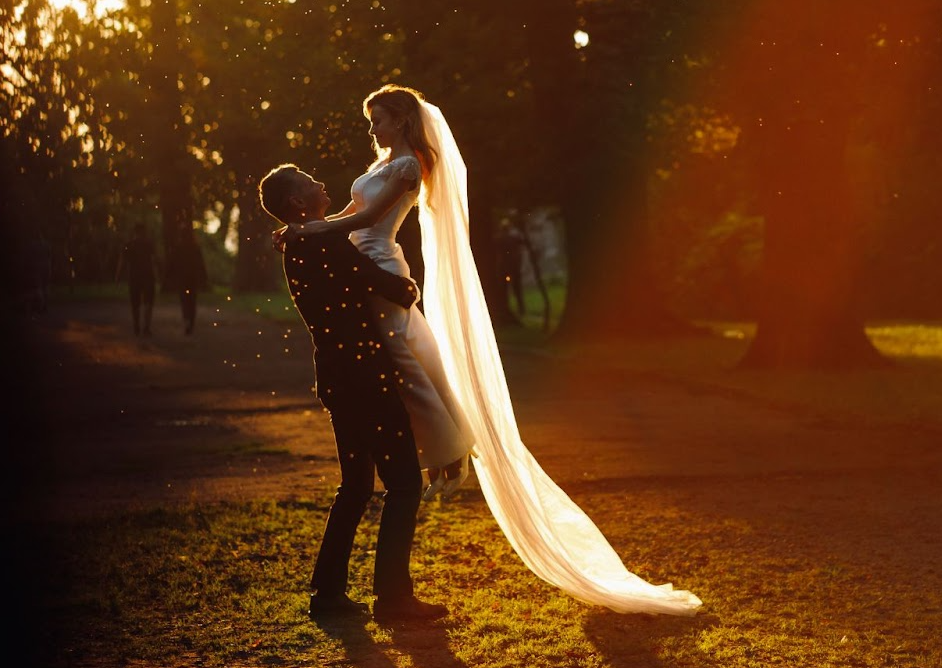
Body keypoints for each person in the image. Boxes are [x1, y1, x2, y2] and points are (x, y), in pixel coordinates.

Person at [278, 84, 703, 616]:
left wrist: (313, 229)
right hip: (362, 297)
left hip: (365, 296)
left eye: (378, 120)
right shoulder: (347, 213)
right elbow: (354, 221)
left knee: (396, 386)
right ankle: (444, 452)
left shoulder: (404, 171)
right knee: (401, 377)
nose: (372, 131)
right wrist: (325, 235)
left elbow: (363, 221)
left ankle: (441, 455)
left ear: (402, 120)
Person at [258, 164, 449, 623]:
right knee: (404, 482)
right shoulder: (318, 241)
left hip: (339, 379)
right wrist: (405, 285)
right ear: (297, 204)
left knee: (357, 485)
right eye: (311, 183)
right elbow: (386, 285)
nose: (321, 184)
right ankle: (393, 598)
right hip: (366, 379)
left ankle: (327, 594)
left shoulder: (302, 239)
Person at [165, 228, 209, 335]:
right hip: (192, 279)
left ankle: (187, 321)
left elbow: (172, 264)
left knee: (185, 301)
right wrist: (204, 278)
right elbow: (201, 265)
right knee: (192, 301)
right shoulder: (195, 248)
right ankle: (191, 323)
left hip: (182, 279)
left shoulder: (178, 248)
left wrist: (169, 276)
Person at [116, 222, 157, 336]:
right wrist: (157, 273)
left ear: (135, 232)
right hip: (148, 276)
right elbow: (154, 260)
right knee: (148, 302)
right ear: (144, 231)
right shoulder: (149, 244)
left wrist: (118, 276)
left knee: (135, 303)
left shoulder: (129, 244)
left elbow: (122, 261)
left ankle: (136, 326)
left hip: (134, 277)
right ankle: (146, 327)